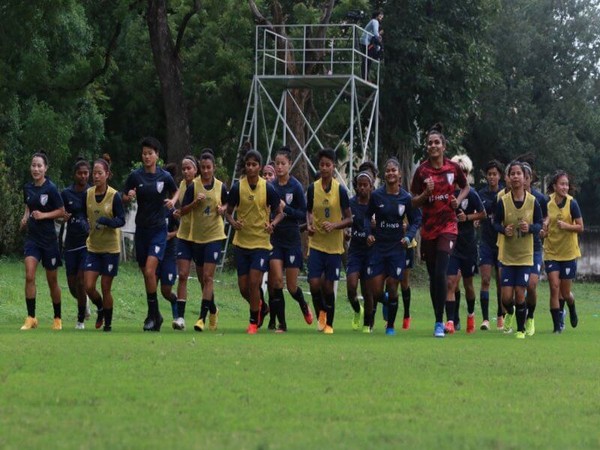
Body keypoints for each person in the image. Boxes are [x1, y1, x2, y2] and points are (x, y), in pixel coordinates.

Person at [410, 124, 469, 338]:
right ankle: (438, 318)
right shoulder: (422, 171)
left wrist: (458, 201)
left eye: (437, 142)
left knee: (442, 272)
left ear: (444, 146)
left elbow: (466, 187)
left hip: (448, 226)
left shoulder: (453, 168)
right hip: (428, 230)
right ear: (427, 147)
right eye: (430, 143)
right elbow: (413, 201)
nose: (433, 146)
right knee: (434, 276)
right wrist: (426, 194)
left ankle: (440, 322)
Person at [123, 137, 178, 332]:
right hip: (142, 231)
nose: (147, 156)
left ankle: (152, 315)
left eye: (150, 153)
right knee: (147, 276)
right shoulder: (135, 176)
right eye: (144, 153)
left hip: (158, 230)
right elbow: (123, 196)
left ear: (157, 155)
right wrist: (127, 197)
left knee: (149, 271)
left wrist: (173, 201)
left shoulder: (164, 176)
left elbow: (176, 191)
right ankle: (155, 315)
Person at [226, 150, 282, 334]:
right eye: (248, 164)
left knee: (253, 282)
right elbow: (228, 211)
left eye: (254, 164)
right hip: (241, 243)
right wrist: (233, 222)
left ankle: (252, 323)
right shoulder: (237, 187)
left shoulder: (268, 188)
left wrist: (272, 224)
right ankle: (261, 307)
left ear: (259, 166)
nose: (250, 167)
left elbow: (280, 212)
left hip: (260, 243)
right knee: (243, 288)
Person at [366, 158, 421, 335]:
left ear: (400, 174)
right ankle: (387, 300)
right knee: (376, 290)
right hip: (379, 247)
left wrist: (408, 236)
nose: (390, 173)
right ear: (384, 174)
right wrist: (369, 233)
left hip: (397, 248)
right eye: (388, 170)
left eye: (394, 170)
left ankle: (390, 326)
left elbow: (416, 220)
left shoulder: (406, 198)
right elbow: (367, 217)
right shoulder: (376, 196)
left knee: (393, 285)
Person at [493, 161, 542, 339]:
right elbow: (495, 223)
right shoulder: (503, 202)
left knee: (521, 293)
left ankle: (521, 330)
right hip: (508, 255)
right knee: (506, 297)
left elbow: (539, 225)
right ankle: (511, 312)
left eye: (518, 173)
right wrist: (503, 229)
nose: (515, 176)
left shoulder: (533, 202)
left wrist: (529, 228)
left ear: (524, 177)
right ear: (508, 178)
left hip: (525, 255)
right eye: (512, 173)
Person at [306, 148, 353, 334]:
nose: (324, 168)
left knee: (328, 286)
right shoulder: (312, 188)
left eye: (328, 165)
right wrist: (309, 224)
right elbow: (308, 211)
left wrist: (335, 225)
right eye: (322, 165)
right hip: (316, 244)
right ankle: (321, 314)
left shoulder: (340, 190)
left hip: (334, 246)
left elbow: (350, 219)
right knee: (314, 283)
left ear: (334, 167)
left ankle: (330, 324)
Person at [182, 150, 228, 332]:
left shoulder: (220, 186)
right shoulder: (194, 186)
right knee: (202, 279)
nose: (206, 171)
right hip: (197, 238)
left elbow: (228, 204)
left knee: (209, 277)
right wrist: (194, 203)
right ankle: (214, 309)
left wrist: (223, 208)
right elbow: (182, 210)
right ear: (200, 169)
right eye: (203, 168)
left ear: (214, 168)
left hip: (215, 236)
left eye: (209, 167)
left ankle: (201, 318)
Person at [267, 146, 312, 333]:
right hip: (275, 239)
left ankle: (303, 303)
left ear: (289, 165)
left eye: (282, 164)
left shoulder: (296, 187)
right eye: (276, 164)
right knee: (277, 282)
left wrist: (286, 209)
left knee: (292, 287)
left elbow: (303, 214)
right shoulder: (270, 187)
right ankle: (282, 324)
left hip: (292, 240)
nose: (279, 167)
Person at [20, 152, 65, 330]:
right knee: (29, 275)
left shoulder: (52, 189)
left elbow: (61, 211)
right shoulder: (27, 188)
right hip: (33, 239)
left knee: (52, 281)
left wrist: (43, 215)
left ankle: (57, 318)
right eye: (33, 165)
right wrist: (25, 218)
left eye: (39, 166)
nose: (36, 169)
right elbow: (28, 206)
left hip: (49, 241)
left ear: (46, 168)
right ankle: (31, 318)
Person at [444, 154, 486, 334]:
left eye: (464, 171)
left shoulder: (472, 193)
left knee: (468, 284)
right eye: (457, 170)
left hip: (468, 244)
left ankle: (470, 314)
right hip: (451, 243)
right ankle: (451, 322)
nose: (461, 174)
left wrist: (467, 217)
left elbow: (483, 214)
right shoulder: (446, 193)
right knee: (450, 283)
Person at [83, 155, 125, 332]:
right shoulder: (88, 194)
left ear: (107, 174)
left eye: (100, 173)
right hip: (93, 247)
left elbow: (121, 220)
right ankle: (100, 307)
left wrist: (107, 222)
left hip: (110, 249)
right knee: (89, 286)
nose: (96, 176)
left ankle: (108, 322)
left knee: (106, 287)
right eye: (94, 173)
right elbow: (82, 213)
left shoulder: (114, 196)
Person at [541, 170, 583, 333]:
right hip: (551, 252)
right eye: (562, 184)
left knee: (565, 293)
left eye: (566, 184)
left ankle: (571, 307)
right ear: (554, 186)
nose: (565, 187)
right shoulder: (546, 202)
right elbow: (542, 226)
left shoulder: (572, 203)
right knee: (554, 287)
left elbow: (581, 227)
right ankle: (557, 326)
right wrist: (542, 232)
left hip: (568, 252)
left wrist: (567, 226)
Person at [61, 158, 92, 329]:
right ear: (75, 175)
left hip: (87, 244)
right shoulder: (66, 194)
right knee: (73, 286)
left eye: (86, 173)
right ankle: (84, 301)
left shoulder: (93, 193)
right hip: (70, 243)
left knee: (81, 281)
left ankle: (80, 320)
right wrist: (62, 216)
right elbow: (59, 213)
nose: (83, 176)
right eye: (80, 173)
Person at [172, 155, 200, 330]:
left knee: (205, 279)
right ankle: (181, 318)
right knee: (182, 275)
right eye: (183, 168)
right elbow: (179, 205)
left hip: (200, 236)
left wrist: (181, 212)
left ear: (196, 170)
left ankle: (212, 309)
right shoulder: (182, 185)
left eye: (189, 168)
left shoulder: (201, 186)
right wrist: (176, 211)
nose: (186, 171)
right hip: (183, 235)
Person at [521, 160, 547, 336]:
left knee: (531, 285)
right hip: (515, 248)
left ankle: (530, 317)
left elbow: (546, 218)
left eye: (525, 177)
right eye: (519, 176)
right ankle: (514, 315)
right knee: (516, 289)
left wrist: (543, 228)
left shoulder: (540, 199)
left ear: (530, 179)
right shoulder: (508, 197)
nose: (522, 180)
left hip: (535, 247)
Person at [476, 159, 504, 330]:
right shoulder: (481, 194)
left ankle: (501, 316)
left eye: (495, 174)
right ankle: (486, 319)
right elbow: (476, 212)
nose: (492, 177)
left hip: (502, 243)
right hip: (485, 242)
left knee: (501, 281)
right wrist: (476, 220)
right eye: (489, 174)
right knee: (485, 279)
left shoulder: (505, 194)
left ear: (500, 176)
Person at [345, 171, 372, 331]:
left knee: (367, 290)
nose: (361, 188)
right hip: (355, 251)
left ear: (370, 187)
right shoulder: (351, 204)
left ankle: (368, 323)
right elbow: (346, 221)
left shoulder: (375, 204)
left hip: (370, 252)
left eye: (365, 185)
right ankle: (357, 310)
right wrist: (346, 232)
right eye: (359, 185)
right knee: (351, 287)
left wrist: (373, 234)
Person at [156, 163, 180, 327]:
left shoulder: (171, 209)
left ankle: (177, 311)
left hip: (169, 253)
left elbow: (180, 230)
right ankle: (154, 316)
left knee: (165, 291)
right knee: (150, 283)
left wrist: (169, 235)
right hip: (154, 252)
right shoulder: (152, 208)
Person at [360, 10, 383, 80]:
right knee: (368, 59)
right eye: (380, 16)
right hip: (366, 42)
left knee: (367, 59)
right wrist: (379, 37)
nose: (381, 18)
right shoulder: (375, 21)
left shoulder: (373, 21)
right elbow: (375, 33)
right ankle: (365, 77)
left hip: (366, 41)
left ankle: (365, 76)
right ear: (377, 16)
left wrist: (379, 35)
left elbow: (374, 32)